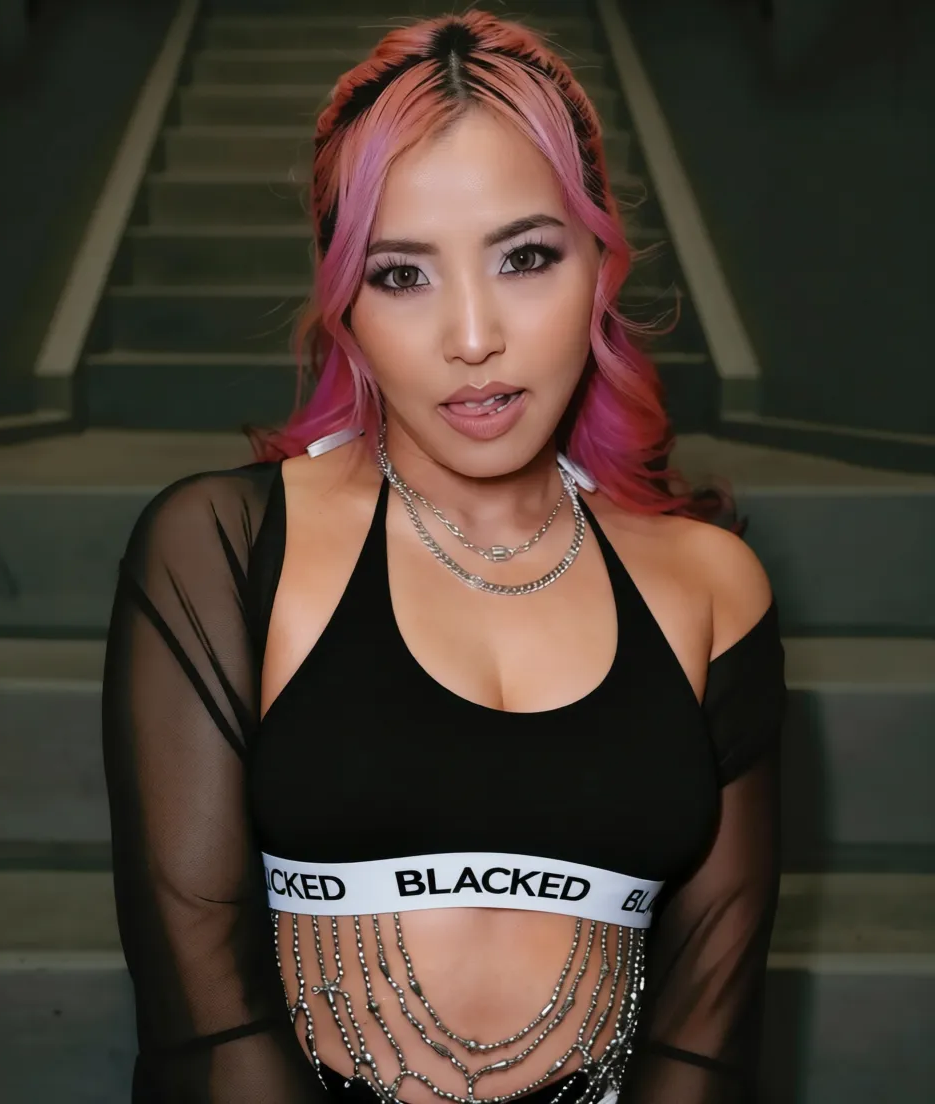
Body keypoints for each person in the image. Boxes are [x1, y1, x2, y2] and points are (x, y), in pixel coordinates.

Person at [101, 10, 787, 1104]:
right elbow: (201, 1007)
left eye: (525, 257)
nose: (473, 337)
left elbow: (704, 1032)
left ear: (598, 264)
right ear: (345, 303)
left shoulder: (709, 587)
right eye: (402, 275)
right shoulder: (225, 548)